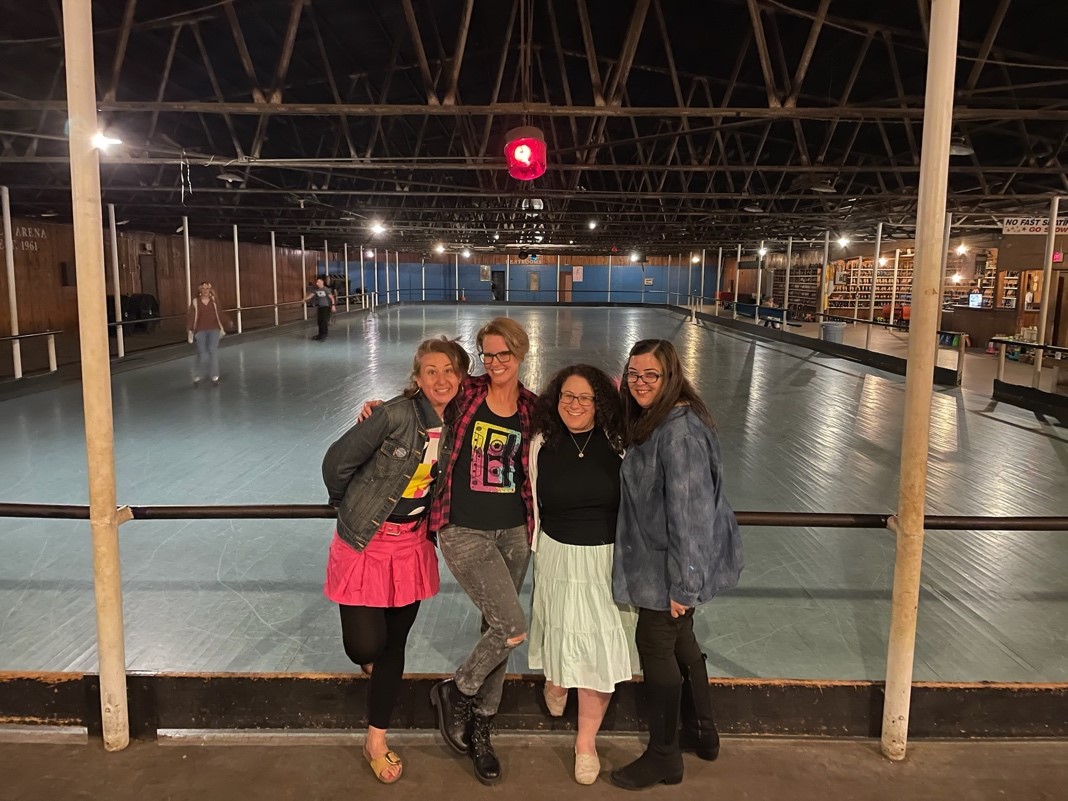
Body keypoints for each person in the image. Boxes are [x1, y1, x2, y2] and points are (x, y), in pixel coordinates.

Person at [322, 336, 470, 784]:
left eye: (449, 370)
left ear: (461, 378)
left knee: (393, 648)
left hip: (411, 547)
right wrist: (352, 506)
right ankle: (372, 664)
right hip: (366, 545)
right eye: (431, 370)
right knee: (364, 647)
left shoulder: (461, 421)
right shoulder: (392, 415)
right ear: (417, 376)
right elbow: (336, 463)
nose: (440, 379)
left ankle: (376, 738)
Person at [610, 338, 743, 791]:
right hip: (670, 562)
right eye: (634, 374)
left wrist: (684, 587)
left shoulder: (679, 433)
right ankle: (702, 731)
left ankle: (664, 756)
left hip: (670, 566)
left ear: (671, 377)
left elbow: (690, 514)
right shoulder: (661, 418)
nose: (641, 383)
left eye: (651, 375)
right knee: (683, 638)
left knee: (656, 644)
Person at [427, 317, 538, 786]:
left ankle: (481, 729)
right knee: (513, 627)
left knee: (498, 628)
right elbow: (423, 396)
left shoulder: (533, 408)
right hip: (463, 527)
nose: (493, 364)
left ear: (520, 355)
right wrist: (377, 408)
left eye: (502, 356)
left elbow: (579, 427)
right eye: (487, 355)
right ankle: (457, 690)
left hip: (513, 531)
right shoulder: (467, 392)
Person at [527, 364, 636, 785]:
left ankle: (585, 742)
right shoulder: (542, 442)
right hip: (556, 555)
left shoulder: (619, 442)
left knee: (599, 652)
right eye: (567, 396)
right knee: (560, 631)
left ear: (600, 403)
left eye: (585, 398)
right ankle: (555, 680)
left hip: (605, 559)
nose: (574, 405)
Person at [185, 281, 233, 386]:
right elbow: (191, 316)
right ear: (200, 290)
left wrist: (227, 321)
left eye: (207, 288)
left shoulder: (214, 301)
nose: (205, 291)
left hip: (214, 329)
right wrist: (190, 329)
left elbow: (219, 313)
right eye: (203, 288)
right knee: (201, 353)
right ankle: (196, 375)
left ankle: (214, 376)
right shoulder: (195, 302)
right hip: (200, 330)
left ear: (210, 290)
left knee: (213, 351)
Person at [305, 276, 336, 341]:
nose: (317, 283)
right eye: (316, 282)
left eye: (318, 282)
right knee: (319, 321)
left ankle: (324, 335)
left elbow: (332, 298)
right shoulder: (316, 290)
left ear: (322, 282)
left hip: (326, 307)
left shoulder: (326, 289)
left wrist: (333, 305)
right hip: (320, 307)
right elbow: (311, 295)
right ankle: (320, 334)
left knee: (324, 321)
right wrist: (304, 299)